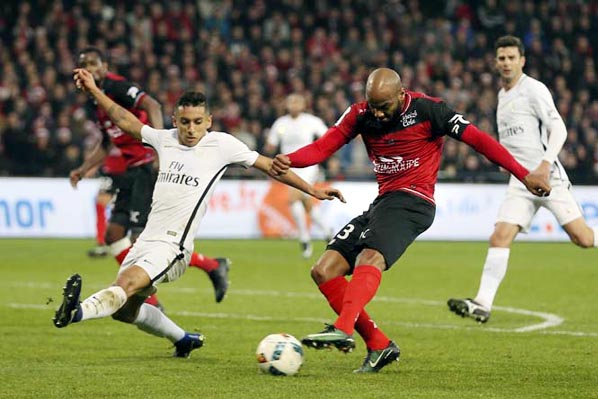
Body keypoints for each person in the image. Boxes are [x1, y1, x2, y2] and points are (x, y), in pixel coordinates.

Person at [270, 67, 551, 373]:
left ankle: (343, 328)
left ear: (401, 95)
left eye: (384, 106)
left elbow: (480, 141)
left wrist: (524, 175)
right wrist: (291, 160)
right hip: (384, 202)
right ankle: (379, 344)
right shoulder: (359, 114)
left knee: (371, 257)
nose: (377, 114)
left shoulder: (429, 110)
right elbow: (325, 145)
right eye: (372, 106)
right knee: (324, 270)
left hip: (414, 201)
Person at [52, 68, 345, 359]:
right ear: (174, 121)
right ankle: (183, 340)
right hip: (144, 242)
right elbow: (122, 118)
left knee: (124, 285)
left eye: (197, 122)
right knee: (126, 312)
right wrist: (93, 90)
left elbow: (271, 166)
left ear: (209, 122)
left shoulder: (223, 145)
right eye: (184, 122)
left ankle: (75, 312)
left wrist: (313, 190)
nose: (191, 129)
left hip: (173, 246)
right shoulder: (164, 139)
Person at [447, 35, 598, 323]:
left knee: (584, 239)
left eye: (511, 58)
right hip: (520, 181)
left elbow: (559, 129)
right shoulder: (503, 96)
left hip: (548, 177)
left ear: (522, 61)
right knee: (500, 236)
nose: (506, 63)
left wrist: (544, 165)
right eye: (501, 58)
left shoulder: (533, 90)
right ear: (495, 62)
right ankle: (482, 303)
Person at [70, 47, 231, 303]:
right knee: (113, 235)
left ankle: (147, 300)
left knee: (140, 239)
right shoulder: (95, 100)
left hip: (146, 168)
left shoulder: (116, 87)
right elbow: (107, 140)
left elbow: (151, 104)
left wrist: (161, 148)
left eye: (93, 63)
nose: (89, 68)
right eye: (83, 64)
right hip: (129, 170)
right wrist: (84, 168)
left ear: (104, 66)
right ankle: (211, 266)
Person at [264, 93, 333, 258]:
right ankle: (326, 231)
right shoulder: (280, 123)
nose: (294, 105)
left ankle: (304, 238)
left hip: (309, 165)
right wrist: (268, 145)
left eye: (297, 102)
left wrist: (321, 153)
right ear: (286, 105)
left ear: (303, 105)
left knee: (294, 197)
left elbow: (329, 137)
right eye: (291, 102)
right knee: (305, 202)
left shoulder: (311, 121)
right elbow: (271, 146)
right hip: (288, 166)